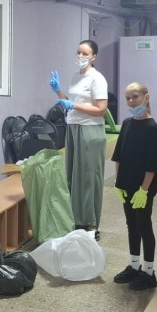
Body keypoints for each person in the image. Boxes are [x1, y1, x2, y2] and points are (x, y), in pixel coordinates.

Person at [49, 39, 108, 238]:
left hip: (90, 131)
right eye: (79, 52)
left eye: (85, 53)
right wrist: (58, 91)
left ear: (94, 57)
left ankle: (91, 225)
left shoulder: (97, 79)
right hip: (73, 127)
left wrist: (73, 106)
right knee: (73, 177)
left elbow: (101, 110)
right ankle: (75, 220)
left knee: (88, 178)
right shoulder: (76, 76)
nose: (81, 56)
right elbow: (71, 101)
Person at [111, 81, 157, 290]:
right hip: (127, 183)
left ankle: (149, 273)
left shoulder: (152, 128)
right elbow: (118, 155)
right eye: (128, 98)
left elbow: (152, 165)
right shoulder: (126, 123)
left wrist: (143, 190)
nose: (131, 101)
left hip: (144, 186)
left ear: (146, 97)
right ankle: (134, 266)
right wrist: (118, 182)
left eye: (135, 96)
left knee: (143, 225)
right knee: (131, 224)